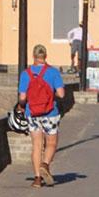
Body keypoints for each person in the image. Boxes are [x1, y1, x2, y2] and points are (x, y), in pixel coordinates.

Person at [19, 44, 65, 187]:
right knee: (51, 143)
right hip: (50, 113)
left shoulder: (25, 74)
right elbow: (62, 94)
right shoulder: (53, 72)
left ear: (34, 56)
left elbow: (22, 97)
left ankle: (37, 179)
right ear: (45, 56)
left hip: (32, 113)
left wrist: (23, 104)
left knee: (37, 145)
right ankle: (45, 164)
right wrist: (52, 93)